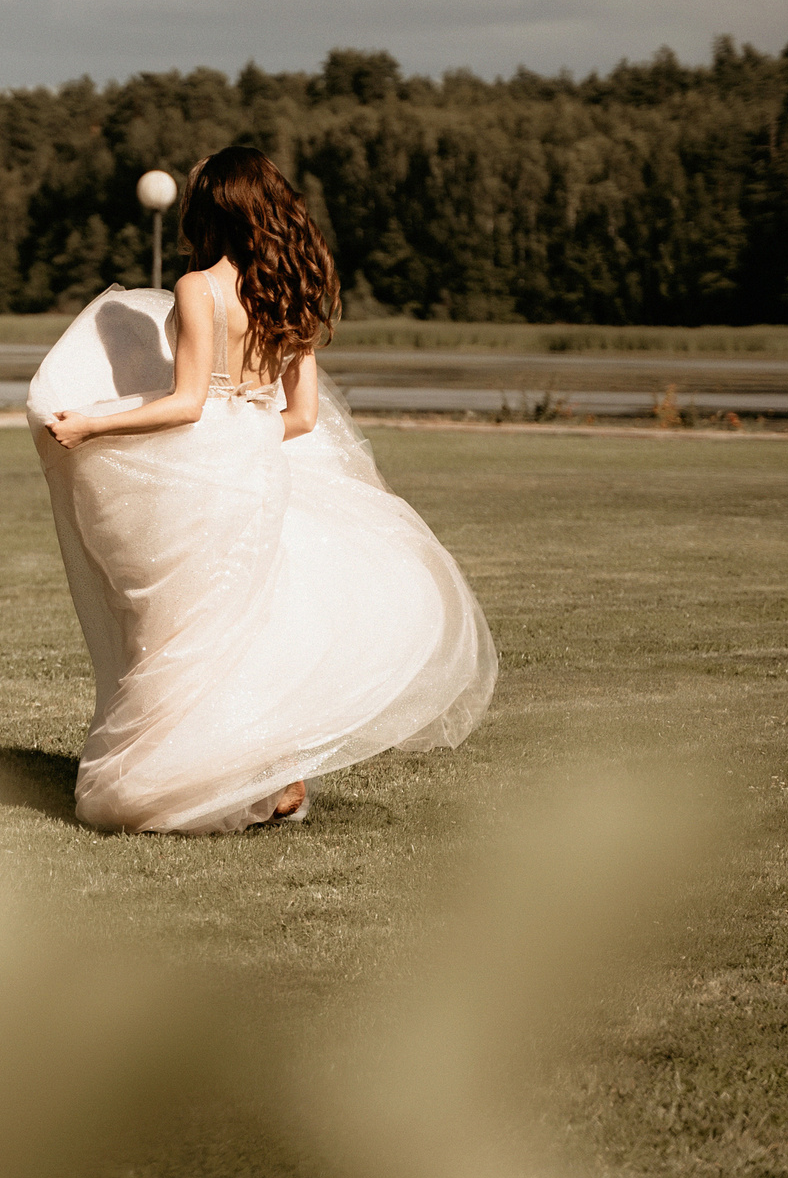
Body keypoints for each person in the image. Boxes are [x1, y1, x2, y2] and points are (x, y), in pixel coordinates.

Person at [34, 147, 497, 833]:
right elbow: (302, 417)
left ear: (211, 207)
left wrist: (94, 423)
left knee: (185, 628)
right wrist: (247, 438)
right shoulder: (293, 288)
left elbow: (187, 403)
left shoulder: (200, 288)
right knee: (246, 621)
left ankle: (198, 779)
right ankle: (277, 782)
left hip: (202, 471)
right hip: (260, 466)